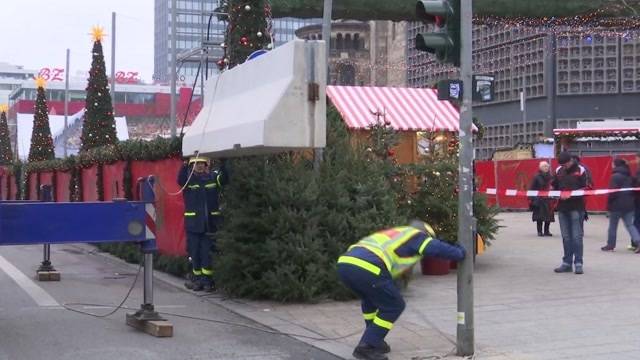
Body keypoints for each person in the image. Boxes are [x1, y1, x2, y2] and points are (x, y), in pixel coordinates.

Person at [336, 220, 465, 360]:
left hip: (345, 264)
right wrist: (459, 253)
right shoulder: (416, 235)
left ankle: (375, 339)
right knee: (394, 305)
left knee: (370, 300)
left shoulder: (395, 234)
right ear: (426, 234)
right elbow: (435, 248)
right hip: (369, 266)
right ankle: (366, 346)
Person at [177, 156, 228, 292]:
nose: (199, 166)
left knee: (208, 253)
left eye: (201, 163)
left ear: (206, 165)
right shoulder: (188, 180)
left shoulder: (213, 178)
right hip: (194, 225)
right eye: (195, 164)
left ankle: (207, 281)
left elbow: (224, 180)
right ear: (191, 166)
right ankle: (197, 279)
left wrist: (224, 164)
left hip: (210, 224)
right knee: (195, 252)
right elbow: (180, 180)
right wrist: (183, 165)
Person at [552, 151, 587, 275]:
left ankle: (578, 263)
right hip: (562, 208)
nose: (564, 166)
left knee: (577, 237)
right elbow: (553, 185)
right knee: (566, 237)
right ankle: (567, 263)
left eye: (565, 164)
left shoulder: (581, 170)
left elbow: (587, 187)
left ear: (571, 160)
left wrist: (570, 194)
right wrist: (555, 193)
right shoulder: (558, 170)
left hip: (577, 208)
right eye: (562, 165)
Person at [601, 158, 640, 252]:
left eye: (613, 164)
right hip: (629, 204)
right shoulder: (630, 175)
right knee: (630, 225)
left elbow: (612, 192)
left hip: (616, 205)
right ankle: (638, 241)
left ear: (616, 165)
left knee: (613, 226)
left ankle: (610, 245)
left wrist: (608, 206)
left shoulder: (615, 176)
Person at [529, 161, 555, 237]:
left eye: (547, 166)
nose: (546, 168)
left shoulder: (551, 176)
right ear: (540, 167)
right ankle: (539, 231)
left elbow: (553, 186)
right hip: (539, 199)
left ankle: (547, 231)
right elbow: (532, 188)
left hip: (548, 199)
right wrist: (531, 199)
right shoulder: (536, 176)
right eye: (544, 166)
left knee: (549, 216)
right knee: (539, 216)